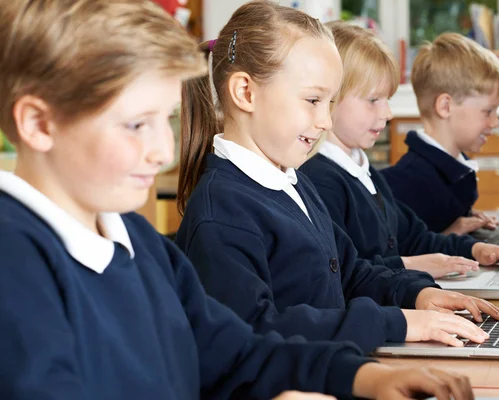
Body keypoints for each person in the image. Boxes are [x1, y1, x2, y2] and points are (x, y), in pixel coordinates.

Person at [0, 1, 474, 399]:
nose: (163, 150)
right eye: (135, 124)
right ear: (39, 125)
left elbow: (235, 351)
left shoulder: (137, 240)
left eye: (163, 120)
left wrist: (361, 376)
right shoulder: (15, 266)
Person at [176, 0, 499, 358]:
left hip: (339, 364)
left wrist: (417, 294)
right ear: (245, 93)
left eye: (330, 103)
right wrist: (397, 323)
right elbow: (256, 333)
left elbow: (350, 273)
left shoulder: (293, 183)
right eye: (313, 100)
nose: (326, 122)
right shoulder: (222, 213)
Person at [299, 22, 499, 279]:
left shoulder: (367, 175)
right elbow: (345, 274)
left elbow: (416, 238)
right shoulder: (319, 181)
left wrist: (477, 249)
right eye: (373, 101)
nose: (387, 113)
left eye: (387, 100)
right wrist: (411, 265)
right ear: (329, 98)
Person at [381, 32, 499, 235]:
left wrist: (467, 221)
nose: (495, 122)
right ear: (445, 106)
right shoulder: (406, 184)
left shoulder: (454, 169)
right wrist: (448, 236)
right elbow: (395, 255)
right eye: (488, 111)